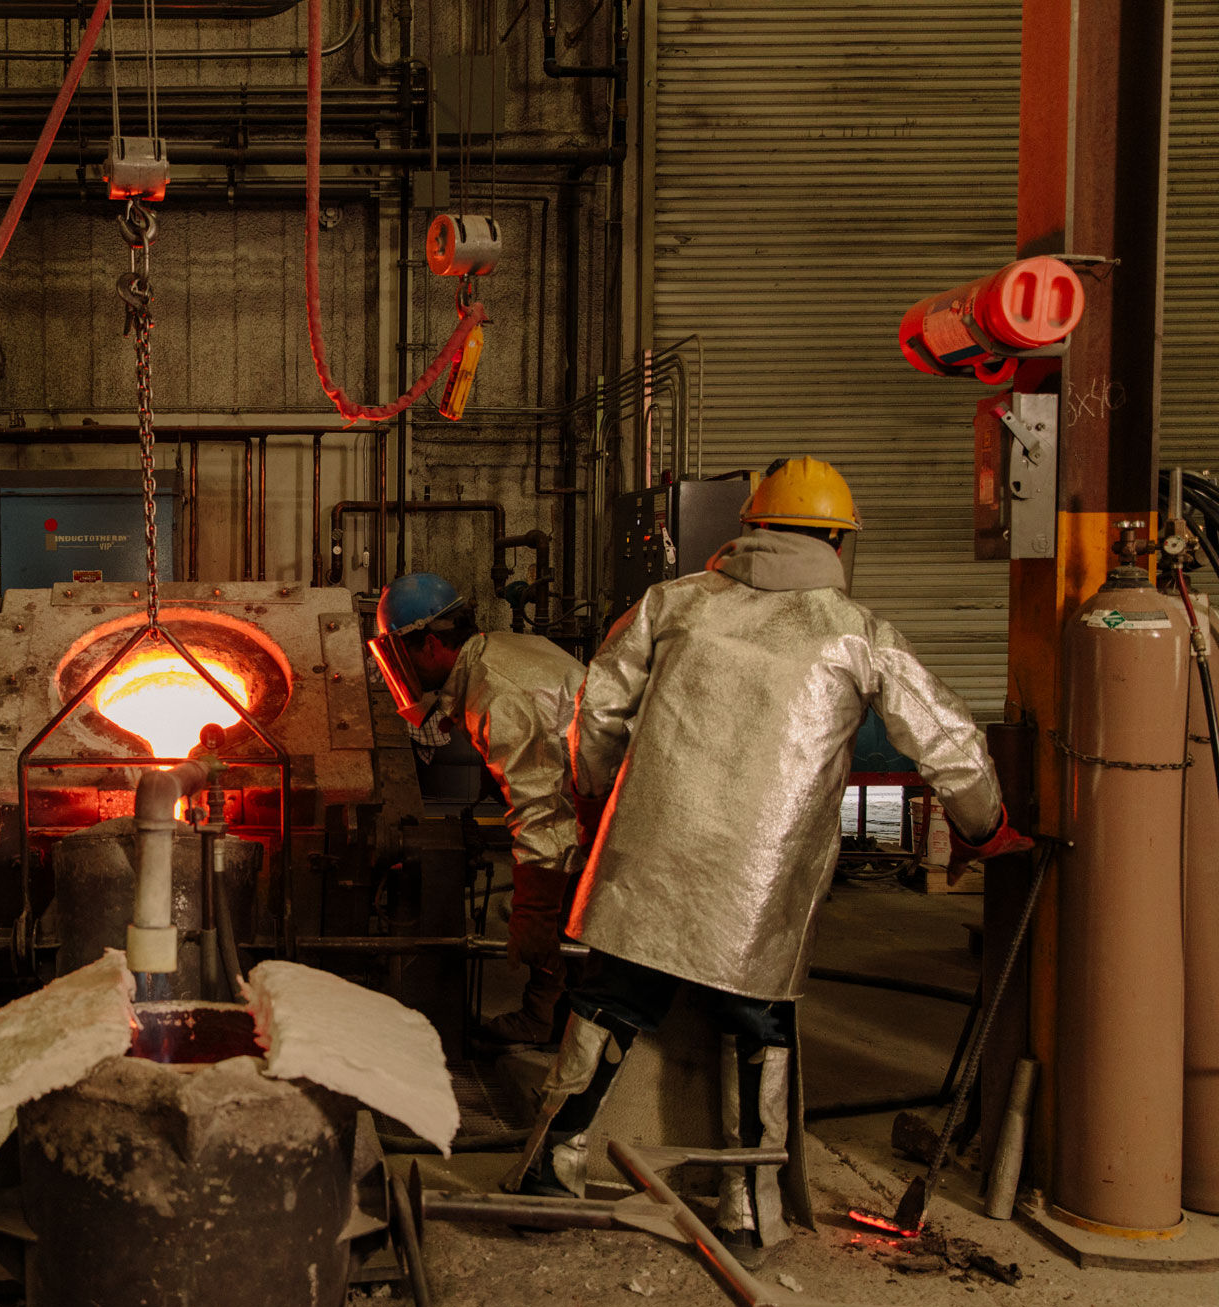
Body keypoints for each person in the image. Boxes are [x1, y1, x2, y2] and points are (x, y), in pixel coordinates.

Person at [519, 456, 1031, 1264]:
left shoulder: (674, 601)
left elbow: (601, 705)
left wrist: (592, 790)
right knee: (756, 1023)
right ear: (835, 538)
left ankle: (551, 1165)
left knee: (610, 999)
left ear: (750, 525)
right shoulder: (858, 634)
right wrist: (986, 823)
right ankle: (747, 1208)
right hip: (758, 878)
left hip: (649, 851)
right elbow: (952, 745)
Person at [368, 572, 588, 1046]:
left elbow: (543, 811)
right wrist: (447, 713)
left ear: (429, 644)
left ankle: (559, 1022)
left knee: (554, 915)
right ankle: (550, 1010)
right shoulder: (498, 651)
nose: (398, 668)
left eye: (400, 655)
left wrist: (533, 906)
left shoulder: (499, 695)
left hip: (596, 808)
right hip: (592, 793)